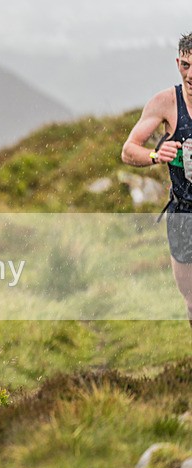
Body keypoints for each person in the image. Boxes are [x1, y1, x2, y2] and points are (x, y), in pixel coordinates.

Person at [123, 32, 192, 329]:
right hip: (183, 214)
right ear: (178, 63)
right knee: (190, 298)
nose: (191, 74)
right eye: (187, 65)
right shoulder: (166, 102)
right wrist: (155, 154)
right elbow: (128, 150)